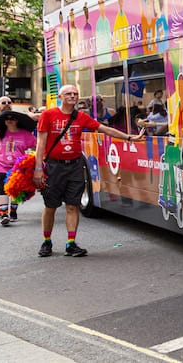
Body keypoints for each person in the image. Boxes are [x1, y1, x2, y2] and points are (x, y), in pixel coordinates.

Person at [32, 84, 143, 258]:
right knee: (51, 206)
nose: (73, 96)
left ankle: (71, 244)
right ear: (60, 97)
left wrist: (129, 137)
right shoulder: (48, 115)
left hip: (75, 165)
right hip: (54, 166)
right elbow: (40, 144)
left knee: (72, 205)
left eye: (75, 93)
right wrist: (38, 168)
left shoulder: (81, 117)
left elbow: (105, 129)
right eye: (68, 93)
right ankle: (47, 241)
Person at [0, 110, 37, 226]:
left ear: (17, 121)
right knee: (2, 189)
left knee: (15, 190)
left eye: (13, 119)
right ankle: (3, 214)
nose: (10, 121)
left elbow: (37, 147)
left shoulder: (26, 135)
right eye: (7, 119)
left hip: (18, 167)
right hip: (0, 165)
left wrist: (34, 160)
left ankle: (13, 211)